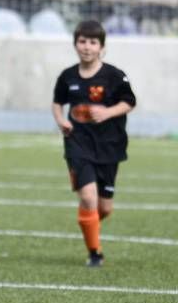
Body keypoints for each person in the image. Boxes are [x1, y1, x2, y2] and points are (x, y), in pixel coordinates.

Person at [51, 20, 136, 267]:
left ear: (101, 47)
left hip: (110, 146)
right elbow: (58, 103)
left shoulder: (115, 75)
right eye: (82, 41)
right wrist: (61, 121)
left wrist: (107, 112)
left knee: (104, 208)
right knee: (88, 198)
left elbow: (130, 101)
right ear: (76, 44)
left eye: (92, 42)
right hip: (77, 144)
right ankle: (95, 253)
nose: (87, 47)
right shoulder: (67, 77)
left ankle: (88, 222)